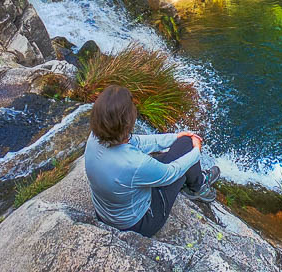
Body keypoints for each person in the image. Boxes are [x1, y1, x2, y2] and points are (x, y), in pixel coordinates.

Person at [84, 84, 220, 237]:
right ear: (128, 120)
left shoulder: (95, 137)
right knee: (186, 146)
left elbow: (135, 142)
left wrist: (174, 137)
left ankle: (196, 178)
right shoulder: (135, 163)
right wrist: (196, 151)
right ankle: (198, 186)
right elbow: (172, 172)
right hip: (140, 223)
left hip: (103, 213)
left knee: (178, 146)